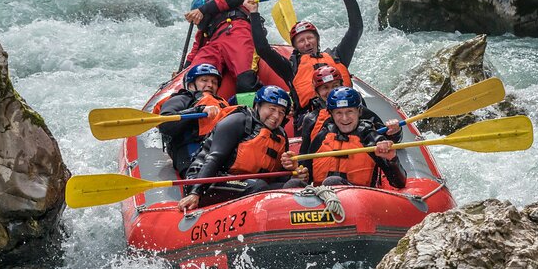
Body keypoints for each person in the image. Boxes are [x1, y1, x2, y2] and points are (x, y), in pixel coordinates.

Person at [244, 0, 363, 127]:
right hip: (312, 122)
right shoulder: (290, 68)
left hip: (346, 114)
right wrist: (253, 14)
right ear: (295, 46)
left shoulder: (337, 57)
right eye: (301, 40)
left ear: (317, 40)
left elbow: (356, 28)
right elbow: (262, 49)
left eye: (310, 38)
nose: (307, 43)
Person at [178, 85, 309, 212]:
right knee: (258, 186)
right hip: (207, 180)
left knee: (295, 186)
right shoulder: (238, 120)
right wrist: (195, 192)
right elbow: (214, 159)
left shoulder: (281, 135)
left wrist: (294, 173)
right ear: (257, 106)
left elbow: (276, 176)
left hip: (249, 184)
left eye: (281, 112)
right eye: (272, 109)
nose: (276, 116)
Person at [182, 0, 260, 93]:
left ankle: (252, 113)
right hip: (213, 42)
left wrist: (203, 9)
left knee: (245, 82)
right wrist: (185, 68)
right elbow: (201, 37)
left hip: (235, 30)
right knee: (195, 78)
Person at [304, 87, 407, 189]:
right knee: (294, 183)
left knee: (332, 181)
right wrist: (301, 175)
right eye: (338, 113)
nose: (344, 118)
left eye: (349, 111)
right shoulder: (322, 136)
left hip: (359, 199)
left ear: (359, 111)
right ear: (332, 114)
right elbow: (307, 173)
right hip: (322, 198)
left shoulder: (371, 138)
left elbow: (399, 183)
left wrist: (392, 159)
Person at [299, 66, 403, 154]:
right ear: (317, 93)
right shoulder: (311, 119)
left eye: (335, 86)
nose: (331, 91)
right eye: (325, 88)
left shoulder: (359, 111)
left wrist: (395, 131)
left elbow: (390, 141)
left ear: (342, 86)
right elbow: (305, 154)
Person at [158, 64, 234, 178]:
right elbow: (165, 123)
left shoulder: (222, 104)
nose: (210, 85)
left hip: (219, 162)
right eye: (204, 80)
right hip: (195, 167)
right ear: (191, 85)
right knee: (258, 186)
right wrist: (198, 110)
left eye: (214, 82)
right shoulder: (182, 99)